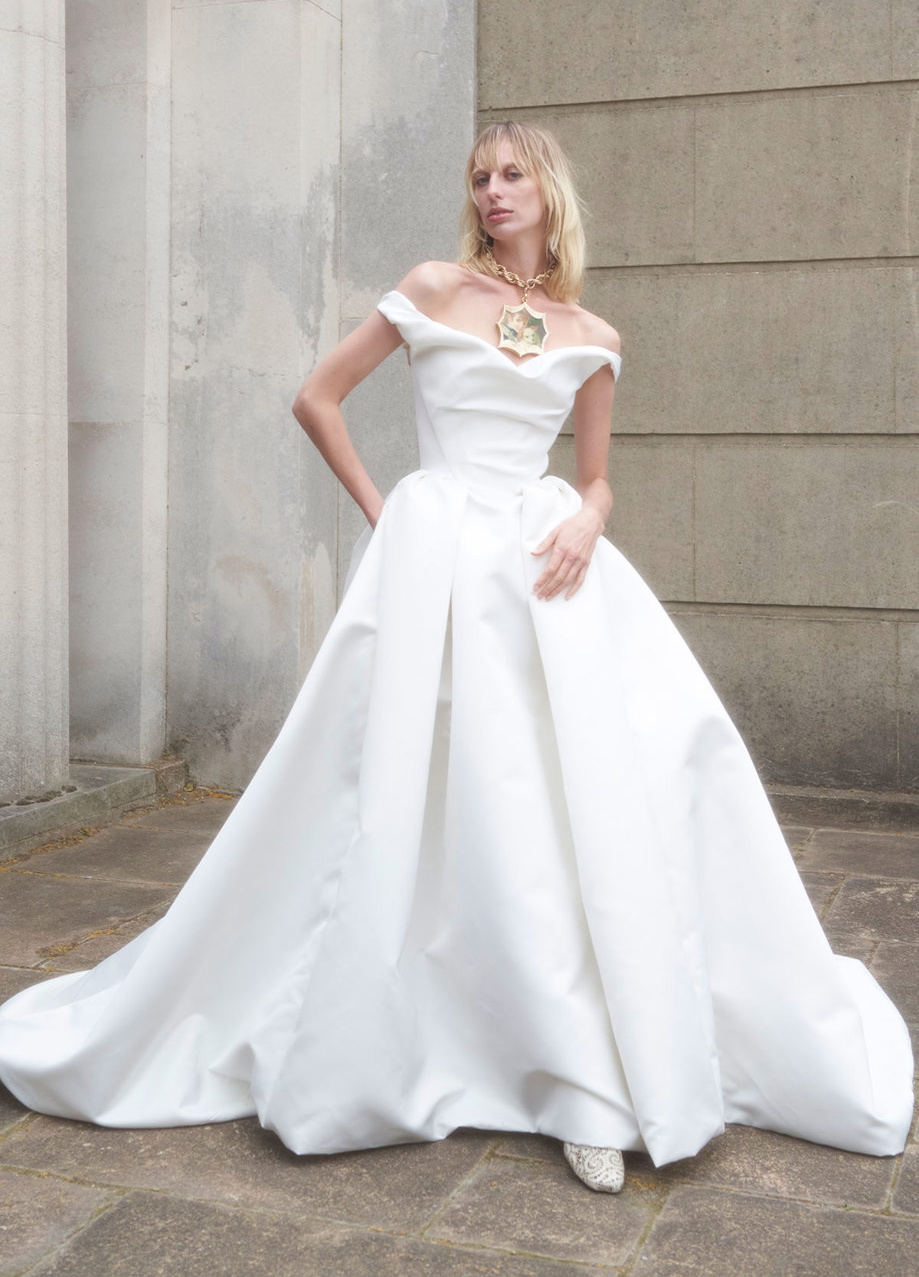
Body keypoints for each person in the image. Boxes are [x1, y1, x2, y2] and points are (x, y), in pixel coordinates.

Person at [0, 122, 912, 1198]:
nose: (491, 190)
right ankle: (415, 1045)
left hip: (543, 574)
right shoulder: (434, 287)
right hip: (435, 569)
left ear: (549, 188)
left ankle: (584, 1080)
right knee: (409, 798)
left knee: (561, 810)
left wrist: (588, 518)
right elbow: (317, 398)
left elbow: (600, 476)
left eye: (511, 172)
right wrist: (393, 514)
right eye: (479, 176)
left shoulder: (592, 331)